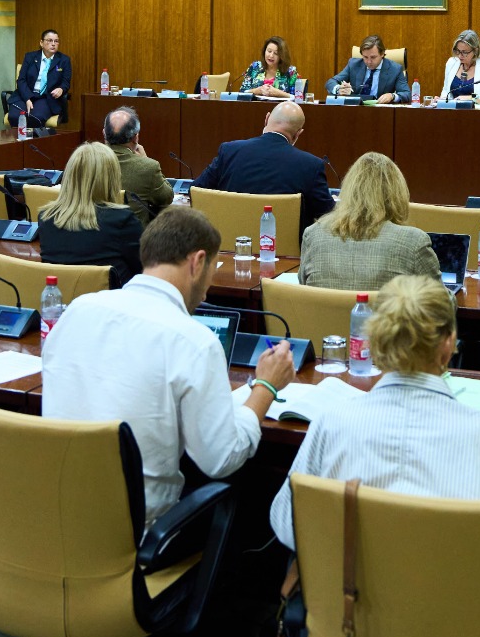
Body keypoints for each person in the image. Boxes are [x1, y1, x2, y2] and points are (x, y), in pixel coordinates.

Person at [42, 205, 295, 527]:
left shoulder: (77, 310)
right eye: (212, 271)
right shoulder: (193, 341)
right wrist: (266, 387)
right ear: (197, 261)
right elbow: (221, 459)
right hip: (135, 535)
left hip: (54, 517)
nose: (206, 290)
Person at [269, 273, 480, 550]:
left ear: (373, 342)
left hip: (348, 591)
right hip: (455, 591)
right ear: (448, 343)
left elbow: (287, 524)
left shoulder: (330, 424)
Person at [299, 153, 439, 290]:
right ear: (398, 194)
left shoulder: (313, 235)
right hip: (385, 314)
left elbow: (304, 289)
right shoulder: (413, 242)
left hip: (324, 313)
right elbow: (441, 305)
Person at [193, 101, 335, 233]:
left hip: (229, 249)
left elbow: (196, 191)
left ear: (266, 119)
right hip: (287, 256)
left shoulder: (229, 151)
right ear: (298, 134)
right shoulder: (311, 165)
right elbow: (329, 215)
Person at [37, 142, 144, 288]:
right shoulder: (122, 220)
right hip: (111, 307)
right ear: (111, 179)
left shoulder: (46, 218)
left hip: (63, 305)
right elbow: (146, 271)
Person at [103, 106, 173, 227]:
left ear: (104, 133)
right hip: (132, 241)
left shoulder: (84, 161)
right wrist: (145, 160)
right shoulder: (148, 167)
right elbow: (167, 197)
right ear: (135, 137)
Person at [7, 29, 71, 126]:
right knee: (14, 116)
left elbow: (66, 82)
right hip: (26, 94)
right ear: (41, 43)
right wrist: (27, 98)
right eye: (49, 40)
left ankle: (34, 141)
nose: (53, 44)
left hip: (46, 97)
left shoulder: (64, 60)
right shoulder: (30, 57)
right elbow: (21, 80)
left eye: (56, 41)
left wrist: (61, 89)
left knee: (36, 118)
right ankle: (19, 141)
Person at [325, 35, 406, 102]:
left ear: (382, 54)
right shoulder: (354, 64)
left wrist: (392, 96)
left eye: (373, 57)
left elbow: (406, 93)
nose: (369, 61)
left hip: (381, 112)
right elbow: (330, 82)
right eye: (365, 57)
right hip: (355, 110)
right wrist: (339, 89)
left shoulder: (395, 69)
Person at [437, 29, 480, 106]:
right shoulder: (452, 63)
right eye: (458, 51)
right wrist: (441, 100)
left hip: (477, 114)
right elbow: (446, 91)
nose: (460, 55)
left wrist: (471, 98)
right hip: (453, 113)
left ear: (475, 51)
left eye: (464, 52)